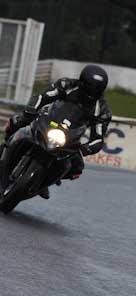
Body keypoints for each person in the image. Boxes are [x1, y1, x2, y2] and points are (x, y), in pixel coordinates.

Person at [3, 65, 112, 199]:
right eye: (90, 87)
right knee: (18, 121)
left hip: (70, 135)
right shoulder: (67, 85)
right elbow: (44, 97)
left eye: (97, 89)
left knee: (76, 168)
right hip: (49, 120)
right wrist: (32, 109)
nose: (92, 92)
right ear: (82, 82)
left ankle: (44, 181)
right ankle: (4, 146)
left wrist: (85, 149)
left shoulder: (102, 110)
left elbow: (98, 138)